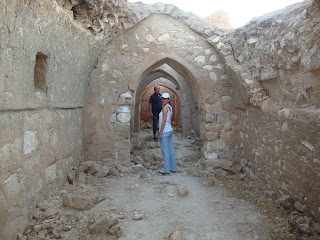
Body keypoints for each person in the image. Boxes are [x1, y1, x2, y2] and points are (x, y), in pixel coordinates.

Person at [157, 93, 177, 174]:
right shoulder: (170, 107)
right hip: (169, 131)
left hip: (165, 131)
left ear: (168, 99)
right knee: (170, 150)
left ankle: (166, 169)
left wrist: (160, 133)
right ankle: (173, 168)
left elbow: (164, 121)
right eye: (162, 98)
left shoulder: (165, 108)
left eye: (165, 99)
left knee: (165, 151)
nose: (163, 100)